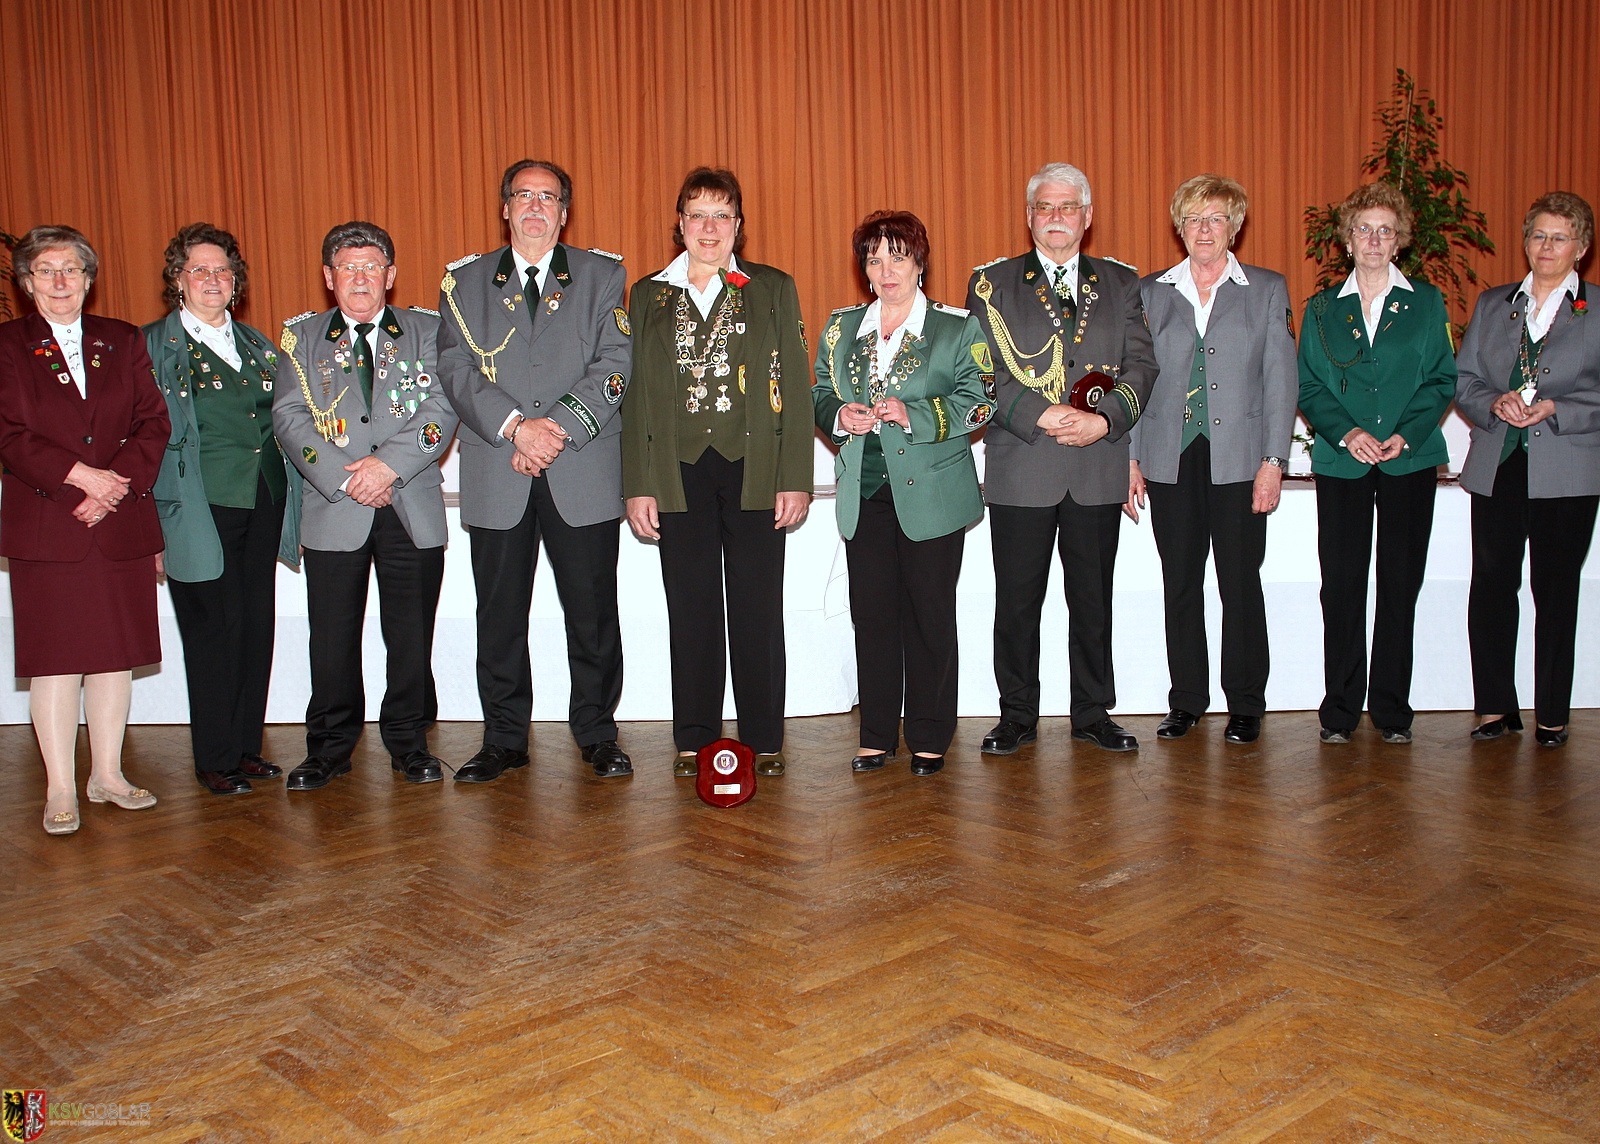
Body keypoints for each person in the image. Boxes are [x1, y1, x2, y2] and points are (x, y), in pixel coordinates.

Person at [437, 160, 634, 781]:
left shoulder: (602, 276)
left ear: (564, 213)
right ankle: (503, 739)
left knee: (593, 613)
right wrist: (516, 428)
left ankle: (597, 734)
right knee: (498, 615)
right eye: (523, 195)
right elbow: (455, 369)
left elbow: (615, 363)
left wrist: (556, 430)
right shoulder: (463, 284)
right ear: (505, 208)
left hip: (581, 467)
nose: (535, 206)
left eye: (548, 197)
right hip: (499, 468)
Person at [621, 168, 813, 777]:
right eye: (698, 214)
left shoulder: (772, 288)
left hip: (755, 469)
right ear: (679, 224)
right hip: (676, 473)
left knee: (758, 608)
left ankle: (764, 740)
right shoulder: (648, 295)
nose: (709, 228)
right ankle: (695, 738)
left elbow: (796, 388)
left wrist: (795, 476)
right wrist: (638, 484)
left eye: (722, 215)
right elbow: (637, 395)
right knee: (691, 609)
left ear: (739, 226)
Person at [966, 162, 1159, 755]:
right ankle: (1016, 714)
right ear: (1029, 216)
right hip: (1022, 465)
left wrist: (1105, 420)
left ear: (1087, 216)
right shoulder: (992, 284)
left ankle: (1093, 712)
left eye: (1068, 206)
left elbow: (1142, 365)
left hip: (1096, 467)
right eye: (1045, 207)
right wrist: (1041, 414)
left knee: (1093, 602)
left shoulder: (1122, 283)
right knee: (1017, 602)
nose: (1056, 217)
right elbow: (980, 372)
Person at [273, 222, 461, 788]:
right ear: (328, 276)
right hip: (336, 507)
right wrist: (347, 478)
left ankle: (409, 742)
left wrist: (386, 468)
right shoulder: (301, 339)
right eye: (348, 268)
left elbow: (443, 406)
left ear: (391, 275)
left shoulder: (428, 331)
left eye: (371, 267)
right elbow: (289, 417)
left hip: (410, 504)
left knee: (410, 637)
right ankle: (329, 747)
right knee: (332, 639)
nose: (360, 278)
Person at [0, 226, 169, 833]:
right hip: (49, 524)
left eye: (71, 269)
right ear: (27, 283)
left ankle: (107, 775)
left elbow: (153, 421)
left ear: (89, 279)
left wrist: (113, 485)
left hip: (118, 519)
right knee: (55, 661)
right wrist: (81, 479)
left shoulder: (122, 339)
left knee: (113, 657)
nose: (60, 281)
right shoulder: (8, 345)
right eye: (46, 270)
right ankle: (59, 789)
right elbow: (9, 432)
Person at [813, 211, 989, 776]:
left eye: (898, 257)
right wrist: (838, 414)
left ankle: (930, 736)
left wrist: (916, 415)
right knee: (873, 617)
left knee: (930, 617)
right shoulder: (842, 328)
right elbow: (818, 390)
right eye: (874, 259)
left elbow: (981, 400)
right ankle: (876, 735)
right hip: (864, 495)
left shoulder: (956, 328)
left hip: (933, 496)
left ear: (920, 263)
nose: (886, 270)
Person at [1130, 175, 1298, 745]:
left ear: (1235, 226)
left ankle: (1246, 703)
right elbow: (1134, 379)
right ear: (1180, 227)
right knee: (1180, 582)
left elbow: (1280, 381)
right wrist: (1130, 457)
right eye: (1194, 219)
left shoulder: (1266, 289)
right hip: (1169, 460)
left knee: (1239, 583)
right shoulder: (1151, 292)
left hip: (1242, 462)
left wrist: (1274, 460)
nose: (1205, 229)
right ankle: (1187, 701)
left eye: (1217, 218)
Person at [1297, 182, 1456, 745]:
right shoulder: (1322, 308)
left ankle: (1391, 709)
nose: (1373, 239)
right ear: (1347, 239)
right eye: (1363, 229)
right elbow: (1308, 384)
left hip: (1408, 462)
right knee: (1341, 586)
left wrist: (1405, 436)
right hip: (1343, 462)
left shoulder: (1427, 303)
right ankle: (1339, 710)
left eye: (1385, 230)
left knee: (1399, 584)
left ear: (1399, 241)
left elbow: (1442, 379)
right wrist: (1349, 434)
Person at [147, 223, 301, 795]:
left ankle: (244, 746)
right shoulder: (152, 347)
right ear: (178, 279)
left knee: (255, 624)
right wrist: (149, 526)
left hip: (262, 499)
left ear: (236, 281)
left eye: (223, 270)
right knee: (210, 629)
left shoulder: (257, 343)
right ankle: (214, 756)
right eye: (200, 270)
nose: (213, 279)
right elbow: (138, 439)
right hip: (196, 506)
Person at [1455, 192, 1598, 748]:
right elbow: (1463, 380)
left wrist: (1558, 407)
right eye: (1539, 235)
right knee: (1491, 584)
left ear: (1581, 248)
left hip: (1568, 467)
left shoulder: (1596, 309)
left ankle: (1552, 715)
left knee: (1555, 589)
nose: (1546, 246)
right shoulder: (1496, 304)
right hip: (1500, 463)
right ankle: (1495, 707)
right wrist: (1493, 401)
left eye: (1560, 237)